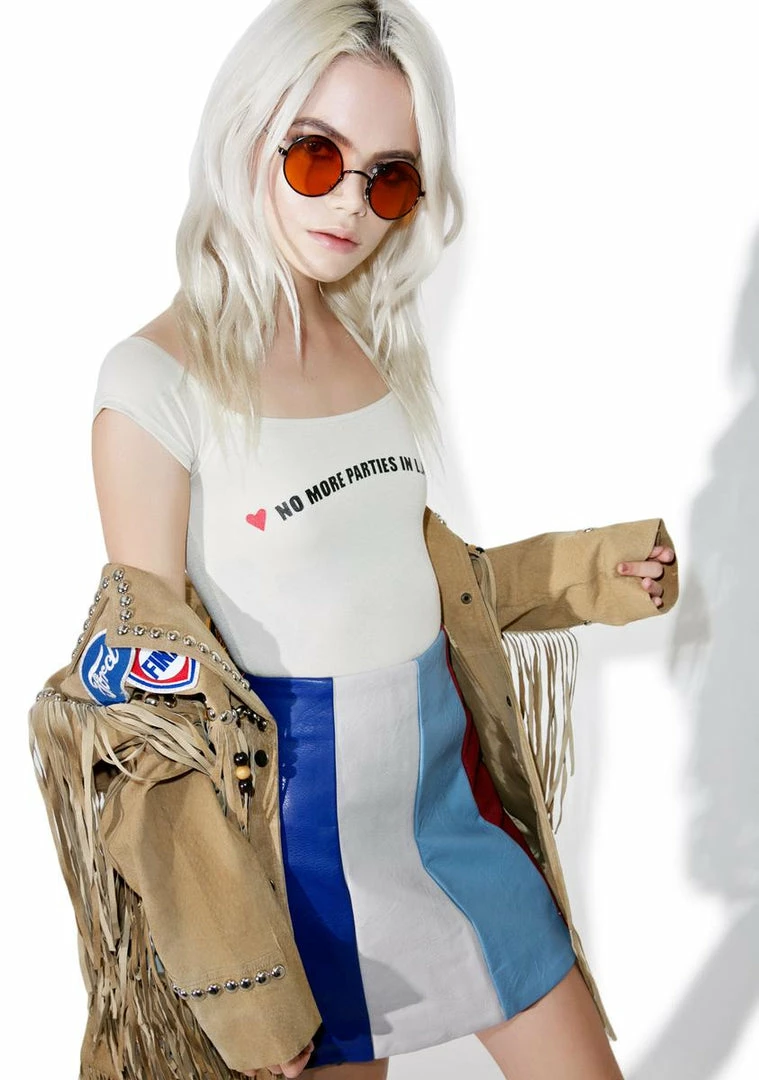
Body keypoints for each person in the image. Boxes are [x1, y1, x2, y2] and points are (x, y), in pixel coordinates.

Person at [89, 2, 675, 1078]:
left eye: (388, 177)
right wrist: (237, 969)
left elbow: (415, 581)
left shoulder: (371, 347)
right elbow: (149, 721)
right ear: (247, 132)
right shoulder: (153, 383)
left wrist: (594, 571)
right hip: (301, 861)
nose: (352, 205)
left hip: (448, 810)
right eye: (317, 155)